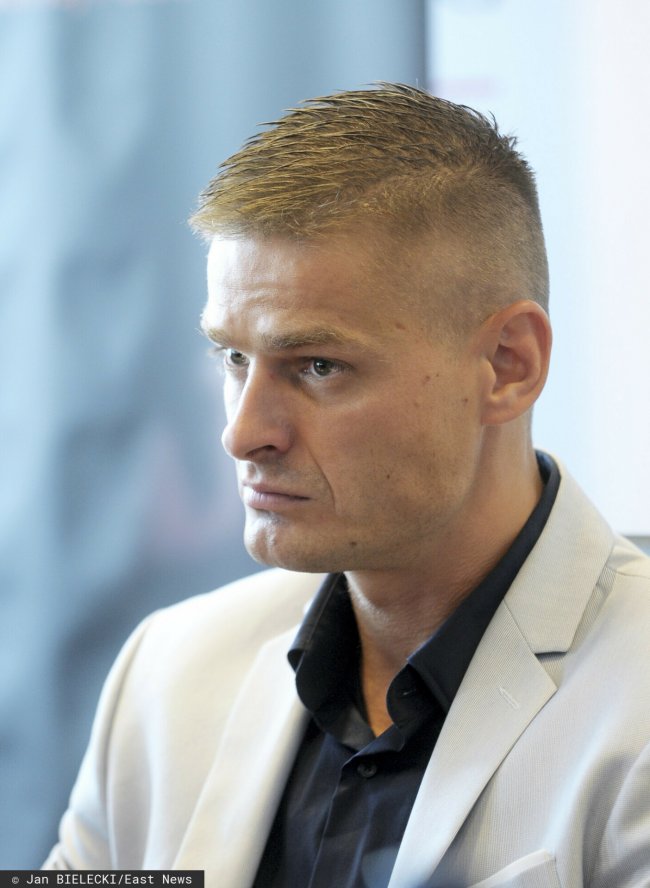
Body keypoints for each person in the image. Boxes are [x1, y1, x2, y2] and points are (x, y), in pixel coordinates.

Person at [44, 84, 650, 887]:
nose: (243, 433)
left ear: (508, 365)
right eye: (233, 357)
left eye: (318, 366)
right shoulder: (169, 671)